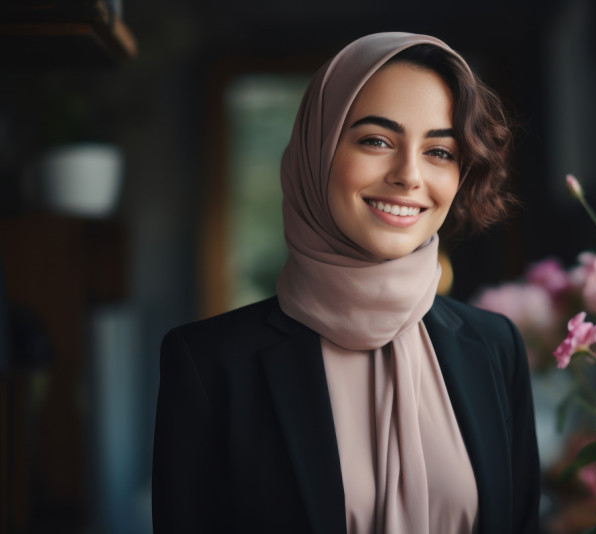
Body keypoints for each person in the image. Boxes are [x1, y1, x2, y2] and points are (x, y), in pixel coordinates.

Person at [152, 32, 540, 534]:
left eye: (440, 151)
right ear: (317, 153)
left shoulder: (494, 346)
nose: (409, 175)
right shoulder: (208, 363)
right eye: (376, 141)